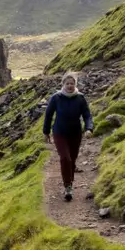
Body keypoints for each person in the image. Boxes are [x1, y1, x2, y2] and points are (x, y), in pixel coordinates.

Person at [43, 72, 94, 202]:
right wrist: (46, 132)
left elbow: (87, 115)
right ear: (63, 84)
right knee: (65, 158)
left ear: (75, 85)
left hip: (75, 133)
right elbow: (48, 115)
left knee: (72, 159)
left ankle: (69, 182)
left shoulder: (80, 98)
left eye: (72, 84)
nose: (70, 86)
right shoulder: (56, 98)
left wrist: (89, 128)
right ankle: (68, 187)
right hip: (59, 132)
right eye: (67, 84)